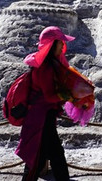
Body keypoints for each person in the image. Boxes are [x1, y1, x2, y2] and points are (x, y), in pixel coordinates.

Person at [16, 26, 77, 181]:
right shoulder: (46, 67)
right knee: (41, 159)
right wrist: (70, 95)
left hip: (43, 116)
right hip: (40, 119)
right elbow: (50, 96)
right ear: (52, 44)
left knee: (44, 157)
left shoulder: (47, 64)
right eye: (60, 43)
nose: (63, 46)